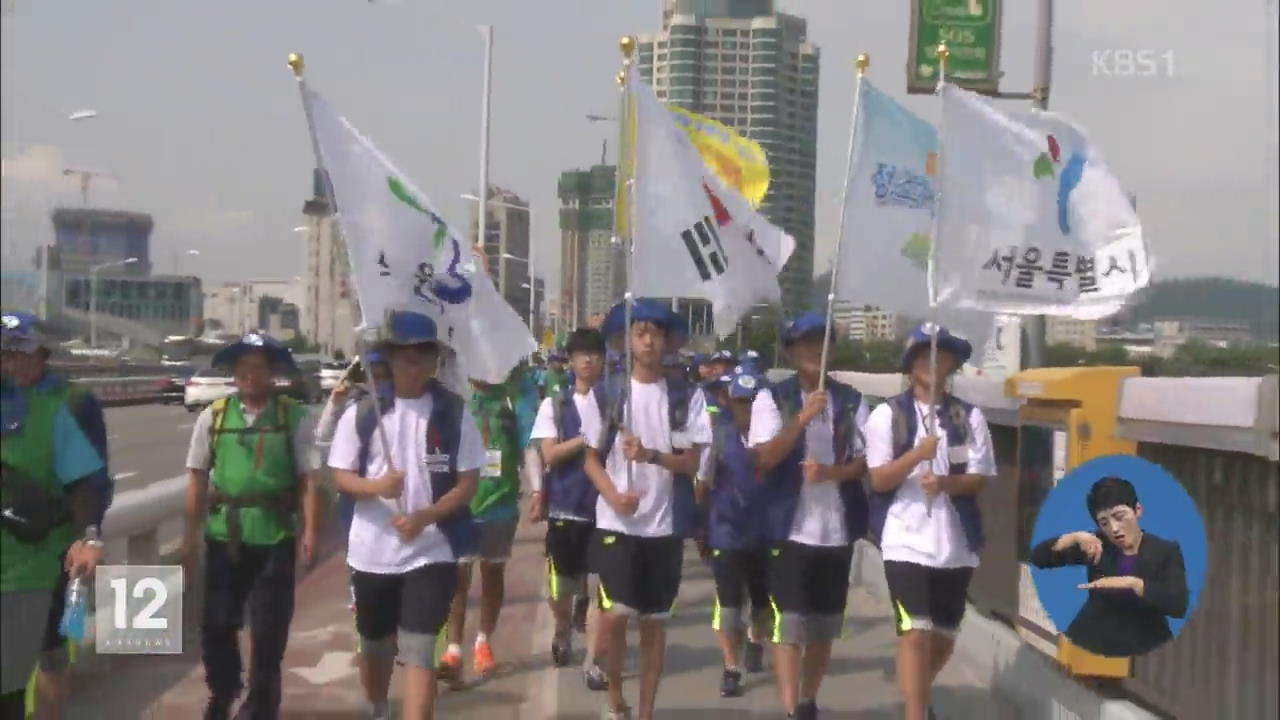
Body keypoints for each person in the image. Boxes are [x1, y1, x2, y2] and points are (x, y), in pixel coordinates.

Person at [327, 310, 484, 720]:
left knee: (419, 648)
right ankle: (379, 707)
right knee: (376, 646)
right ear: (388, 359)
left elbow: (467, 483)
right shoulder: (363, 413)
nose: (411, 363)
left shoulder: (453, 412)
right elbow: (341, 476)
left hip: (431, 551)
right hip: (371, 552)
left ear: (435, 361)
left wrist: (425, 516)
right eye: (402, 355)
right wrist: (377, 488)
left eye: (420, 354)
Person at [584, 299, 711, 720]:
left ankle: (646, 711)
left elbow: (691, 463)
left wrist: (652, 456)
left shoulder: (685, 397)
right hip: (616, 523)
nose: (649, 340)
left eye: (656, 333)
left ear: (668, 341)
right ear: (628, 340)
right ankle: (616, 695)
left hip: (664, 524)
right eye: (640, 332)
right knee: (618, 614)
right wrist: (613, 496)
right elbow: (589, 459)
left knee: (654, 624)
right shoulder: (608, 393)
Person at [182, 331, 319, 720]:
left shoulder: (292, 415)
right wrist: (189, 537)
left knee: (268, 628)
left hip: (274, 534)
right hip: (225, 534)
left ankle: (262, 704)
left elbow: (309, 477)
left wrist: (310, 531)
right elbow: (196, 477)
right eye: (243, 368)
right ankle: (223, 691)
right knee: (216, 624)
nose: (250, 376)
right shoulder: (216, 415)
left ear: (272, 374)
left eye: (258, 368)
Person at [864, 324, 996, 720]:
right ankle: (916, 713)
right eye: (924, 355)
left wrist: (944, 483)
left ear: (953, 363)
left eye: (942, 356)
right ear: (910, 365)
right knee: (915, 633)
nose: (933, 363)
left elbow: (977, 480)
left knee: (943, 639)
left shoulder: (968, 417)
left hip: (955, 543)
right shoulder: (888, 414)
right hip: (903, 540)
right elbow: (879, 478)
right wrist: (917, 455)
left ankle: (916, 693)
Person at [749, 313, 870, 720]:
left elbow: (863, 462)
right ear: (790, 350)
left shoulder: (852, 400)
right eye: (805, 344)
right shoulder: (773, 398)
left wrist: (829, 473)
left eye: (823, 343)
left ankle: (807, 699)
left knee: (823, 627)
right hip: (788, 528)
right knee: (790, 627)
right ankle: (789, 709)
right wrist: (801, 418)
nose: (814, 352)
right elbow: (764, 457)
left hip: (836, 530)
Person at [1, 313, 107, 720]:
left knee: (53, 655)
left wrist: (90, 535)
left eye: (21, 354)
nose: (13, 363)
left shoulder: (69, 403)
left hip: (55, 551)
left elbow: (90, 481)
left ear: (42, 354)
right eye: (6, 354)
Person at [437, 365, 530, 685]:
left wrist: (538, 490)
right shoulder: (457, 404)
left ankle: (483, 642)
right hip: (463, 507)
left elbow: (528, 449)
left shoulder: (511, 404)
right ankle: (453, 650)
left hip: (500, 508)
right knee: (457, 581)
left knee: (492, 576)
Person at [528, 328, 610, 680]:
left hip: (605, 510)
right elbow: (549, 453)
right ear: (572, 361)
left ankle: (593, 659)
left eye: (594, 353)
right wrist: (585, 439)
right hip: (565, 506)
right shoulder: (556, 404)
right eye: (581, 354)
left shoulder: (616, 403)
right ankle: (563, 628)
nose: (588, 360)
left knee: (599, 589)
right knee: (560, 588)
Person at [1030, 476, 1188, 657]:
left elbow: (1178, 604)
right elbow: (1038, 558)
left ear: (1138, 510)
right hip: (1093, 640)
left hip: (1144, 643)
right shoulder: (1098, 546)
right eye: (1104, 523)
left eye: (1119, 517)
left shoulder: (1165, 551)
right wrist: (1075, 537)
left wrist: (1134, 584)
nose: (1114, 528)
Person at [700, 370, 773, 698]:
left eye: (754, 401)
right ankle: (731, 667)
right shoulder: (718, 437)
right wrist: (702, 530)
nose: (748, 408)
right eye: (742, 401)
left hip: (764, 533)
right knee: (729, 607)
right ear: (729, 402)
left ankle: (756, 642)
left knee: (761, 603)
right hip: (727, 532)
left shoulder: (776, 440)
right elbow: (703, 485)